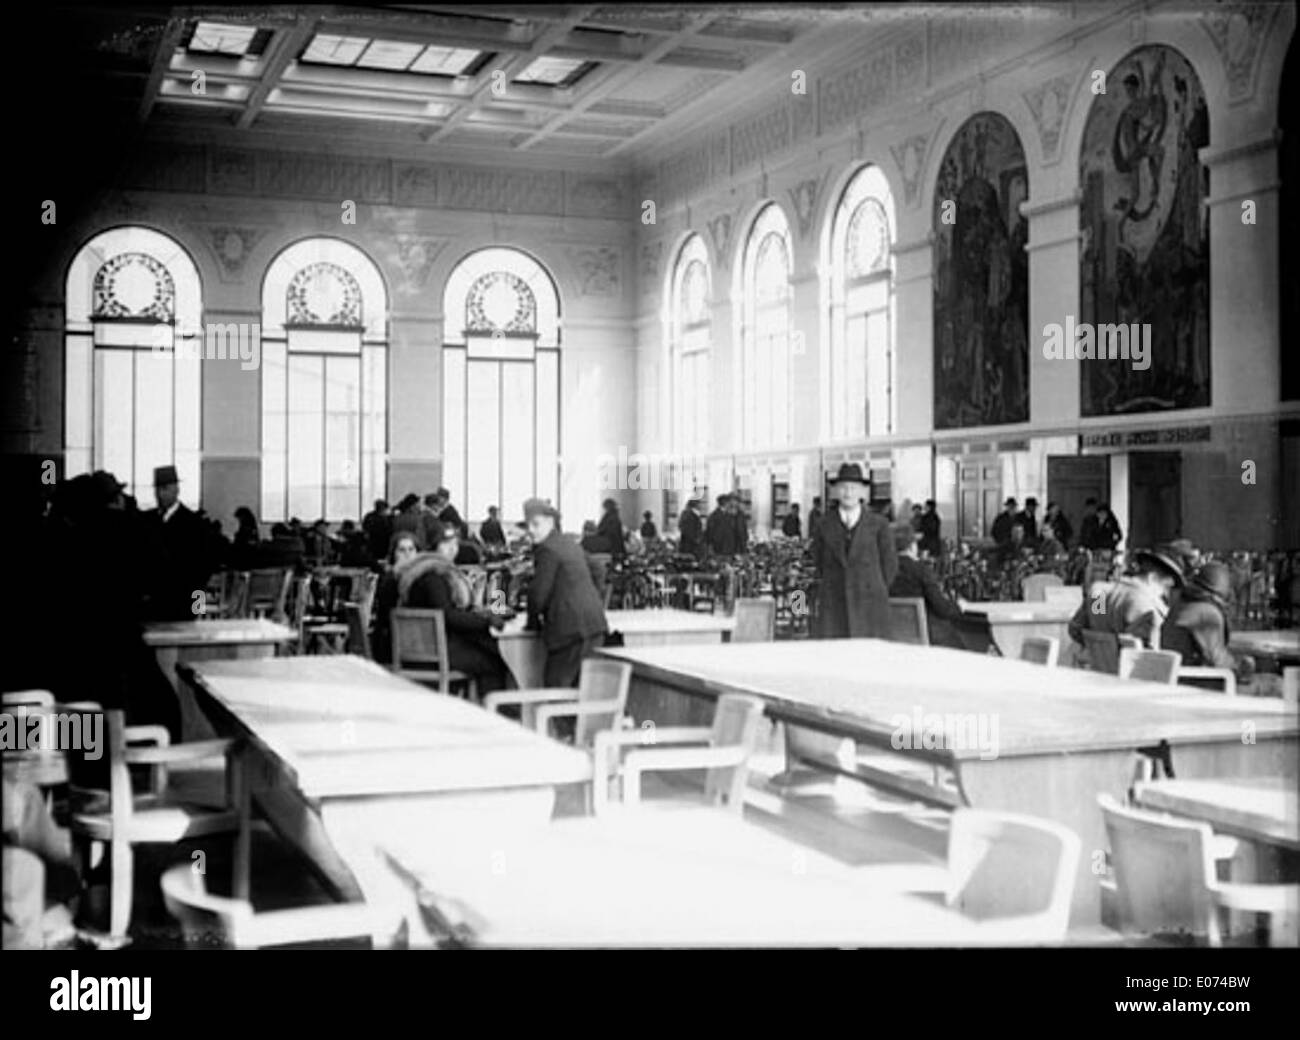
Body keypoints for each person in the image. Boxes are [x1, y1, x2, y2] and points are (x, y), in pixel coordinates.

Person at [401, 523, 513, 697]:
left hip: (422, 648)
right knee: (496, 660)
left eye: (454, 544)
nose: (452, 549)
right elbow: (449, 616)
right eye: (445, 544)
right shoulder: (434, 576)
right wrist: (487, 621)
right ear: (434, 547)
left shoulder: (421, 571)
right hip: (438, 652)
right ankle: (493, 713)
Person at [524, 498, 608, 687]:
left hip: (569, 632)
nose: (531, 529)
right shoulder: (569, 543)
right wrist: (593, 600)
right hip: (594, 626)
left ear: (550, 522)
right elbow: (599, 570)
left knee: (555, 691)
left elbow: (538, 594)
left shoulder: (546, 549)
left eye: (536, 524)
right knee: (582, 691)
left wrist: (532, 623)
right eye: (528, 525)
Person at [813, 463, 898, 639]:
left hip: (871, 607)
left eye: (853, 488)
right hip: (834, 606)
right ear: (835, 491)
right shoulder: (823, 525)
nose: (848, 493)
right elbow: (818, 563)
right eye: (843, 487)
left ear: (862, 492)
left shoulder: (879, 524)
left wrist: (872, 589)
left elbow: (890, 566)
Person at [889, 523, 993, 652]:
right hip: (932, 638)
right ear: (912, 546)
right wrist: (960, 606)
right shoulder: (920, 570)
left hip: (895, 639)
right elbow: (942, 608)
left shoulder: (881, 570)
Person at [1068, 547, 1184, 655]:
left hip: (1095, 666)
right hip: (1126, 674)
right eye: (1164, 588)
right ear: (1152, 578)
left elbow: (1076, 629)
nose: (1164, 594)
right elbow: (1147, 657)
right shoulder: (1146, 609)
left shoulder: (1100, 593)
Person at [1161, 561, 1254, 683]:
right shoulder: (1207, 614)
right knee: (1276, 685)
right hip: (1200, 685)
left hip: (1177, 677)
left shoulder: (1180, 605)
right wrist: (1241, 668)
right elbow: (1216, 661)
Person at [144, 465, 215, 621]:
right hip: (152, 603)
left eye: (164, 489)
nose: (159, 494)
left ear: (176, 490)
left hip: (183, 603)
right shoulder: (147, 520)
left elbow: (204, 569)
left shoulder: (194, 524)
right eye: (157, 490)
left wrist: (197, 608)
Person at [371, 532, 420, 664]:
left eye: (411, 549)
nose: (407, 554)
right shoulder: (390, 579)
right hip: (393, 644)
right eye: (402, 550)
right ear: (394, 554)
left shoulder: (421, 578)